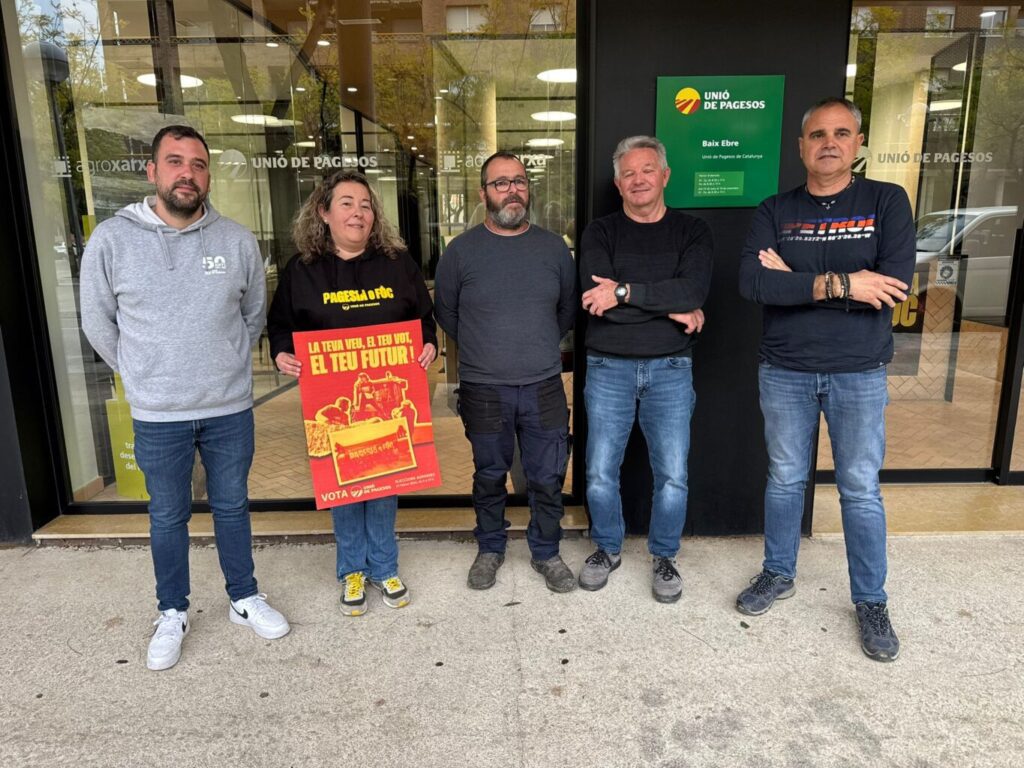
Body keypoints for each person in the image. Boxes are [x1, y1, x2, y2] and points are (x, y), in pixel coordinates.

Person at [80, 125, 289, 672]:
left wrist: (226, 364)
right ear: (152, 171)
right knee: (168, 514)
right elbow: (97, 320)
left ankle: (244, 597)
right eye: (174, 162)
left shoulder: (236, 241)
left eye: (197, 164)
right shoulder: (113, 240)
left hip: (228, 407)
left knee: (232, 506)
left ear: (207, 176)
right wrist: (140, 372)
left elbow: (252, 315)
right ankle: (172, 610)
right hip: (158, 412)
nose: (187, 174)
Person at [736, 97, 915, 662]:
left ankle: (871, 601)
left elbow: (893, 286)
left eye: (841, 133)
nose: (829, 143)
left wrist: (798, 280)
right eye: (817, 135)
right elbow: (753, 284)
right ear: (801, 147)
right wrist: (846, 284)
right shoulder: (775, 209)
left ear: (858, 143)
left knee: (859, 487)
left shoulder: (886, 201)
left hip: (858, 371)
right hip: (784, 367)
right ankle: (778, 572)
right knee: (785, 478)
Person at [267, 169, 437, 617]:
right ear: (324, 213)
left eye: (365, 205)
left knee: (384, 478)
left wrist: (429, 344)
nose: (357, 213)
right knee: (342, 482)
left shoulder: (398, 263)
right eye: (346, 203)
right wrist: (282, 353)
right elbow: (280, 325)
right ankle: (352, 570)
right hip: (332, 399)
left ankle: (384, 566)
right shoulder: (302, 270)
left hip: (386, 400)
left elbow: (424, 319)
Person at [434, 151, 577, 593]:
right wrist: (488, 347)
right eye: (501, 183)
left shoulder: (554, 248)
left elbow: (567, 311)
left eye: (519, 181)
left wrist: (531, 345)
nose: (512, 190)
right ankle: (490, 548)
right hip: (484, 388)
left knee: (547, 477)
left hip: (543, 385)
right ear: (484, 194)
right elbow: (447, 313)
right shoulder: (460, 252)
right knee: (489, 475)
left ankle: (546, 551)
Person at [578, 135, 712, 604]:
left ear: (665, 175)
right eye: (629, 173)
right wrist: (668, 305)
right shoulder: (599, 233)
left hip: (670, 368)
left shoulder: (692, 231)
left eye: (647, 170)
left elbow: (692, 291)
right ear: (618, 183)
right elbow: (596, 303)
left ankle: (664, 555)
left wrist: (623, 292)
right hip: (607, 366)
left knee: (672, 473)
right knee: (599, 470)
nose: (638, 180)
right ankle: (607, 548)